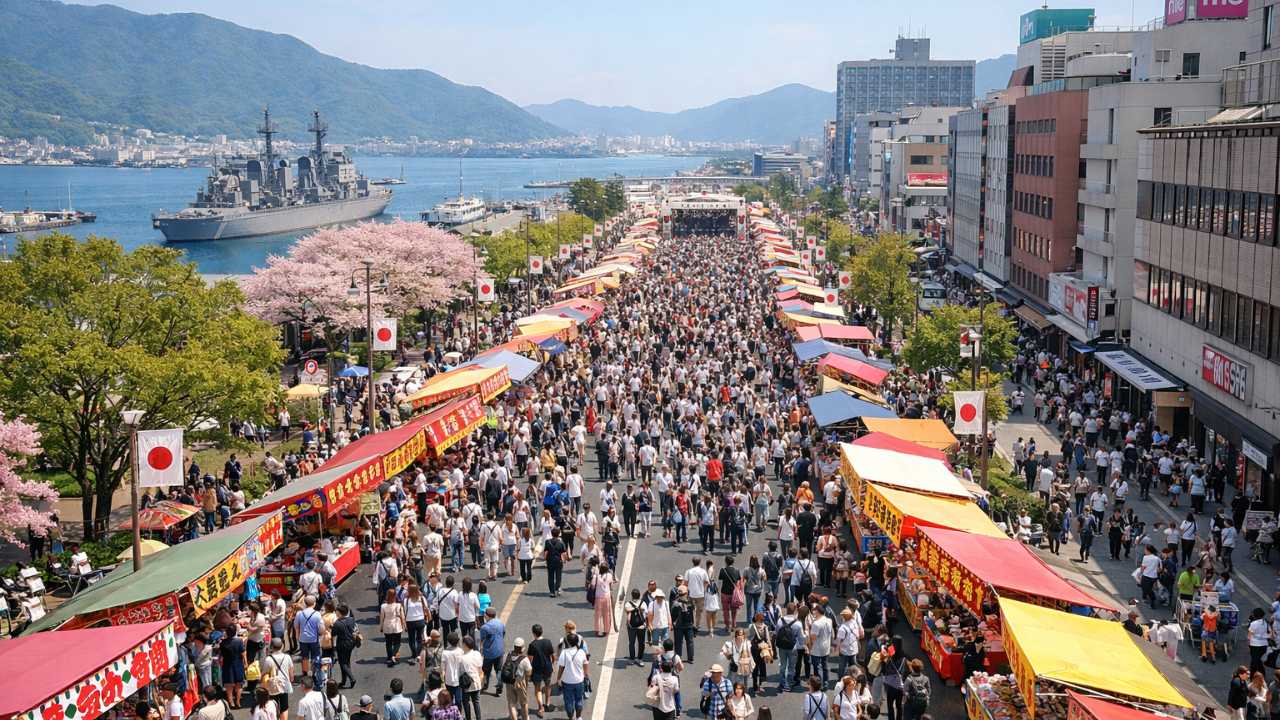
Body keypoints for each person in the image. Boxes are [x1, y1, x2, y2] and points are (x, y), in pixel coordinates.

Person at [554, 632, 589, 720]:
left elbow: (561, 668)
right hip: (579, 681)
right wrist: (586, 677)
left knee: (568, 701)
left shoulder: (564, 653)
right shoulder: (581, 652)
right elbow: (585, 667)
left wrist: (558, 679)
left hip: (567, 682)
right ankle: (579, 717)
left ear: (568, 643)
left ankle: (571, 717)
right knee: (579, 700)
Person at [527, 624, 555, 717]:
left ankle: (540, 708)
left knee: (538, 689)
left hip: (537, 670)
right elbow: (552, 656)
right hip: (547, 668)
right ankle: (547, 703)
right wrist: (552, 664)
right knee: (548, 685)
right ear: (542, 631)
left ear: (533, 633)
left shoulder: (532, 645)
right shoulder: (548, 642)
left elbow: (530, 660)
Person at [263, 638, 294, 720]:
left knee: (273, 705)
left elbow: (264, 674)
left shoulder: (268, 659)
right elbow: (291, 671)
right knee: (284, 707)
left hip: (273, 685)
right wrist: (291, 679)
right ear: (282, 646)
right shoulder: (287, 657)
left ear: (271, 647)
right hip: (284, 683)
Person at [502, 637, 532, 720]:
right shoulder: (524, 659)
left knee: (511, 703)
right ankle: (525, 718)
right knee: (524, 703)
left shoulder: (509, 655)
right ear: (522, 648)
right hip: (520, 683)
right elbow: (529, 672)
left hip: (509, 682)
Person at [480, 607, 507, 694]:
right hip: (499, 650)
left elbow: (482, 639)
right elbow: (503, 633)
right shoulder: (500, 623)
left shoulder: (485, 627)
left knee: (486, 670)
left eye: (485, 614)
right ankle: (499, 688)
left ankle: (485, 685)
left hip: (489, 652)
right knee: (498, 670)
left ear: (487, 616)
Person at [380, 588, 407, 666]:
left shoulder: (383, 606)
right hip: (397, 626)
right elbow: (403, 617)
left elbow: (382, 618)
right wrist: (404, 626)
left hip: (387, 625)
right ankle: (394, 655)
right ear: (395, 596)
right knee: (397, 642)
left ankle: (389, 657)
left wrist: (381, 627)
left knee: (388, 643)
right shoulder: (398, 605)